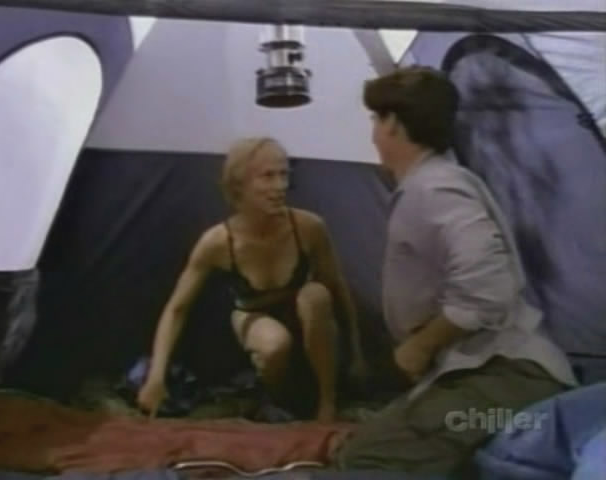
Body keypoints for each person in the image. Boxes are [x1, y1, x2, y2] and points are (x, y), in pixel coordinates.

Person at [332, 66, 579, 474]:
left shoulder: (435, 189)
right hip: (479, 373)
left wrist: (421, 345)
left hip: (509, 375)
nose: (373, 133)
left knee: (368, 459)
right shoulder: (433, 183)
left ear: (393, 124)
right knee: (369, 440)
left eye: (376, 119)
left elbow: (488, 286)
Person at [137, 137, 367, 422]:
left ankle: (327, 400)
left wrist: (357, 352)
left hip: (304, 317)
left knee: (316, 295)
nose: (279, 186)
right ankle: (279, 399)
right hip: (254, 316)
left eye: (284, 175)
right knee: (273, 343)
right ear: (239, 186)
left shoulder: (309, 227)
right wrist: (156, 376)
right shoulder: (218, 242)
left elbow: (338, 288)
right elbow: (177, 309)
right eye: (267, 177)